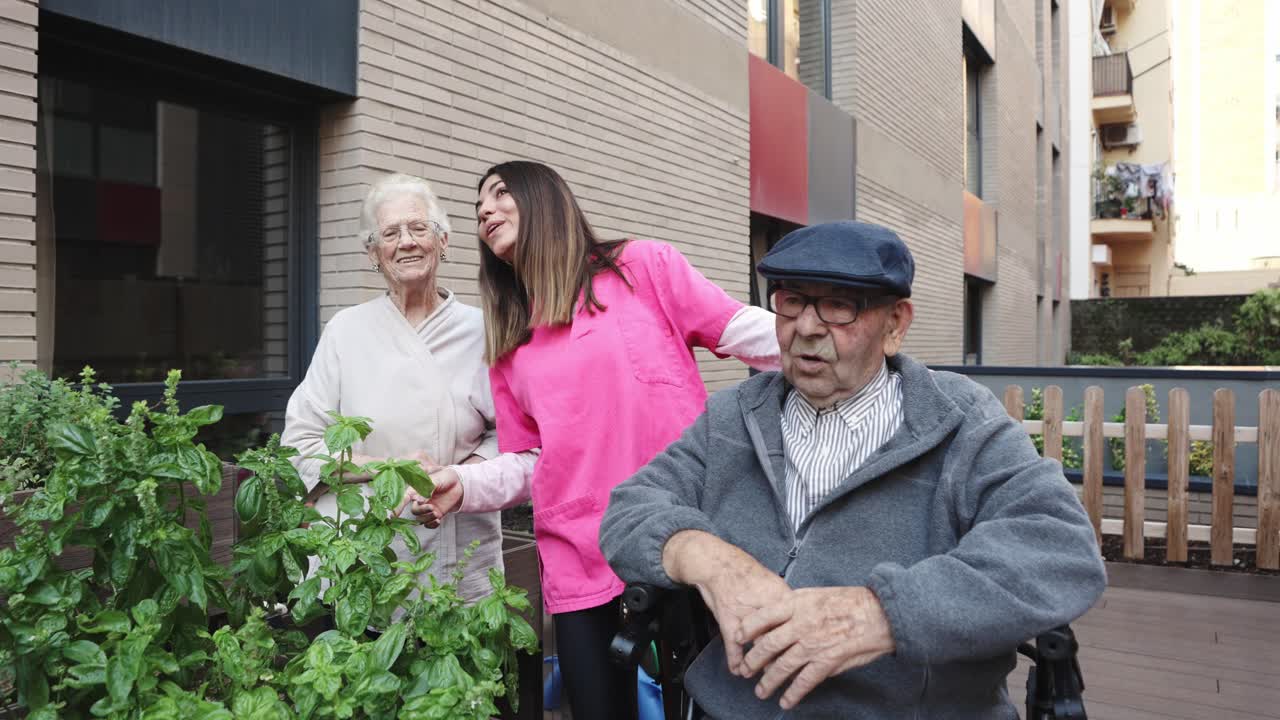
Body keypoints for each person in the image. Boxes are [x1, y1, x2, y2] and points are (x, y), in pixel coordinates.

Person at [600, 221, 1107, 718]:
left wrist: (880, 613)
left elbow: (1058, 548)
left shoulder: (960, 423)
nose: (806, 326)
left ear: (895, 325)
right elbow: (630, 509)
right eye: (792, 300)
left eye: (839, 306)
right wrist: (706, 557)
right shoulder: (734, 416)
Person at [410, 160, 779, 719]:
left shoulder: (640, 267)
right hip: (581, 551)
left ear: (546, 200)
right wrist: (460, 484)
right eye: (478, 205)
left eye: (500, 193)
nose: (484, 209)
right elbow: (528, 461)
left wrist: (837, 346)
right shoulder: (510, 340)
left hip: (690, 528)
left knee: (723, 705)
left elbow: (739, 330)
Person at [281, 173, 503, 603]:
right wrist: (392, 468)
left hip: (458, 541)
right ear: (373, 252)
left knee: (457, 656)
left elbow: (510, 435)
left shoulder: (483, 330)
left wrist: (454, 478)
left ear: (443, 240)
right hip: (363, 551)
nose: (407, 242)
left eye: (419, 228)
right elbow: (301, 442)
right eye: (390, 233)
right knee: (365, 660)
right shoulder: (346, 331)